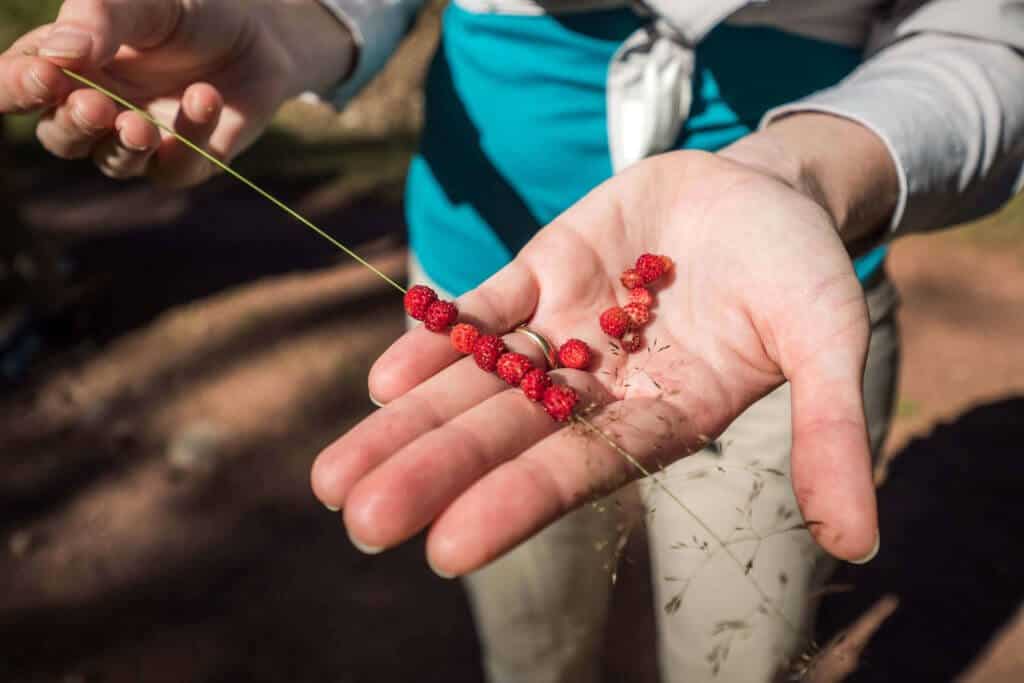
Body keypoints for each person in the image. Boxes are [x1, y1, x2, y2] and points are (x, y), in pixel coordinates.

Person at [2, 1, 1021, 680]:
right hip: (490, 288)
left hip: (766, 317)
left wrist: (804, 173)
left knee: (740, 647)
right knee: (538, 641)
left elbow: (990, 35)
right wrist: (278, 25)